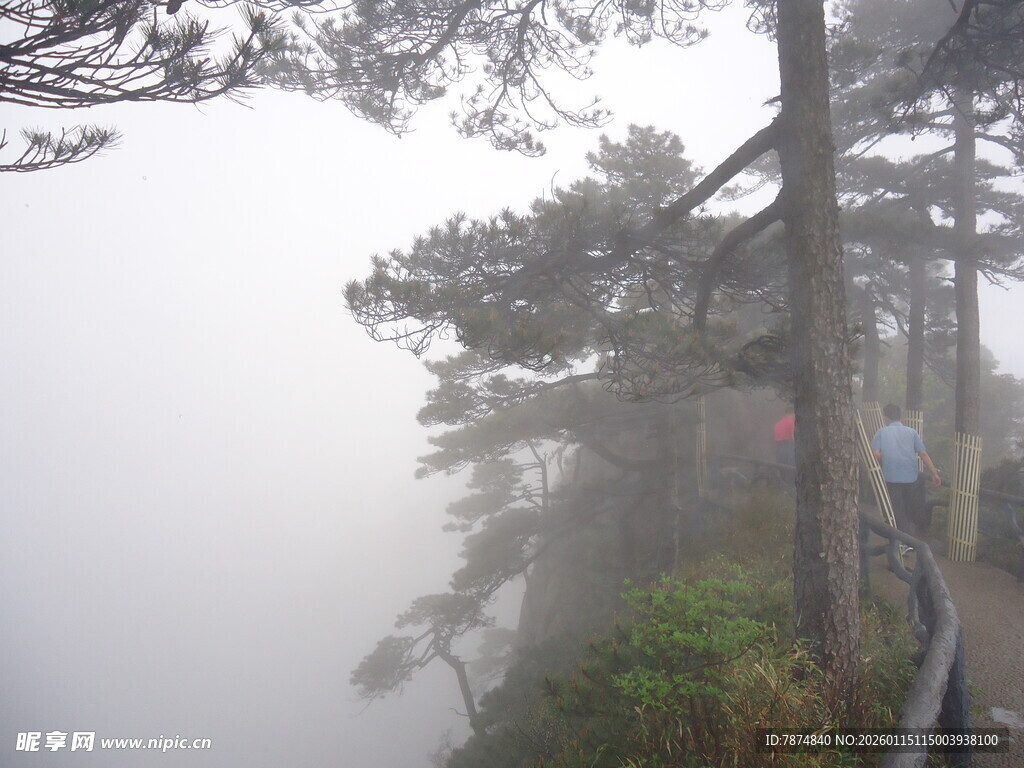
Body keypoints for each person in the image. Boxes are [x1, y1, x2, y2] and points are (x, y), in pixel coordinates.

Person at [871, 403, 941, 537]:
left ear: (885, 417)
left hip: (890, 476)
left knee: (896, 510)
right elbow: (923, 454)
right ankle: (907, 538)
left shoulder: (881, 432)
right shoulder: (911, 432)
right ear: (900, 417)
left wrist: (883, 461)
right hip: (910, 477)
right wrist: (934, 473)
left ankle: (902, 541)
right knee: (907, 509)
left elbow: (875, 453)